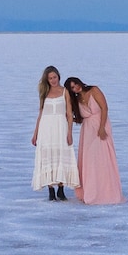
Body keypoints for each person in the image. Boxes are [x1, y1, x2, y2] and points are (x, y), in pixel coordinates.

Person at [64, 77, 124, 204]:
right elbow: (81, 119)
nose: (76, 88)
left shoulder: (94, 90)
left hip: (100, 126)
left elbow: (104, 108)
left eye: (76, 84)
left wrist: (102, 127)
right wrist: (70, 119)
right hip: (87, 132)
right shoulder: (77, 99)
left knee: (103, 158)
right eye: (73, 88)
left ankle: (107, 192)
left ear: (80, 82)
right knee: (90, 161)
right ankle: (91, 191)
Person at [31, 66, 79, 201]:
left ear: (59, 77)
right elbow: (40, 114)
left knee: (61, 154)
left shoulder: (65, 92)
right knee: (48, 154)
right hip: (46, 128)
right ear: (47, 79)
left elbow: (69, 114)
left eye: (55, 77)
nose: (53, 80)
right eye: (50, 78)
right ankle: (51, 190)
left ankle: (61, 189)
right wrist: (35, 133)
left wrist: (70, 132)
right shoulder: (44, 93)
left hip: (61, 127)